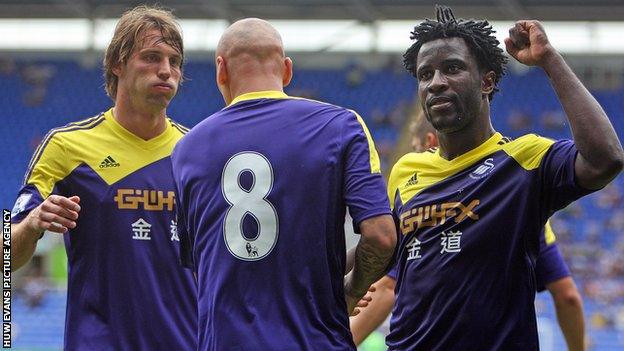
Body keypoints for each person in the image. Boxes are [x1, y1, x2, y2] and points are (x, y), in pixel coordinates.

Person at [384, 5, 623, 350]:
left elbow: (606, 160)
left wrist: (549, 60)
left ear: (487, 80)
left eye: (452, 68)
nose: (436, 83)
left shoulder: (526, 160)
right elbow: (387, 256)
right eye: (425, 75)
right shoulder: (406, 170)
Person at [171, 18, 396, 350]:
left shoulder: (187, 148)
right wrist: (350, 291)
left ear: (221, 70)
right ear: (287, 70)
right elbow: (381, 237)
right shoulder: (341, 126)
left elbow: (204, 268)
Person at [9, 6, 196, 350]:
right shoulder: (66, 146)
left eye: (174, 61)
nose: (166, 71)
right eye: (151, 57)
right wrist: (33, 222)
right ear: (117, 64)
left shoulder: (198, 152)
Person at [351, 113, 586, 351]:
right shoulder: (518, 198)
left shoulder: (420, 211)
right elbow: (567, 295)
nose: (413, 157)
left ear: (431, 142)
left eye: (416, 148)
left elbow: (386, 287)